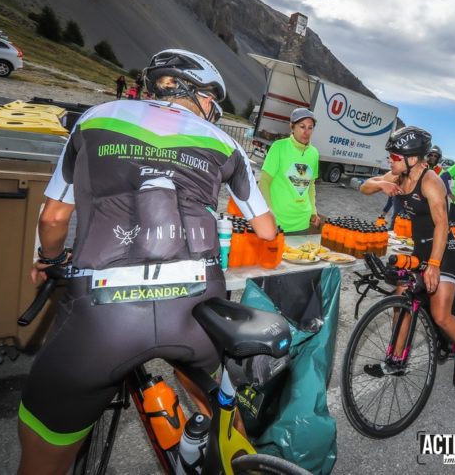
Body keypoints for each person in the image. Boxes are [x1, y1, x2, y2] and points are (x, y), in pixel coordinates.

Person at [17, 49, 276, 475]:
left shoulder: (96, 118)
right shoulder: (225, 142)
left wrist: (49, 259)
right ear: (199, 93)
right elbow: (266, 230)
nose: (213, 109)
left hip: (102, 314)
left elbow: (53, 218)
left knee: (42, 448)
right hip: (194, 307)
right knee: (220, 412)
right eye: (213, 100)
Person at [360, 127, 455, 387]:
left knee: (440, 315)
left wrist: (434, 265)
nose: (390, 160)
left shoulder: (431, 182)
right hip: (419, 250)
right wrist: (381, 184)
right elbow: (363, 187)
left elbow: (442, 225)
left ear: (412, 158)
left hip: (444, 251)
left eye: (395, 156)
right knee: (401, 300)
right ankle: (395, 361)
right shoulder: (398, 175)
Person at [259, 107, 322, 235]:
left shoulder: (314, 153)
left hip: (302, 221)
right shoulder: (279, 147)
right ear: (292, 127)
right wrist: (268, 211)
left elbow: (310, 186)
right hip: (278, 221)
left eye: (310, 128)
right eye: (302, 126)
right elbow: (264, 183)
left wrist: (313, 211)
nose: (306, 132)